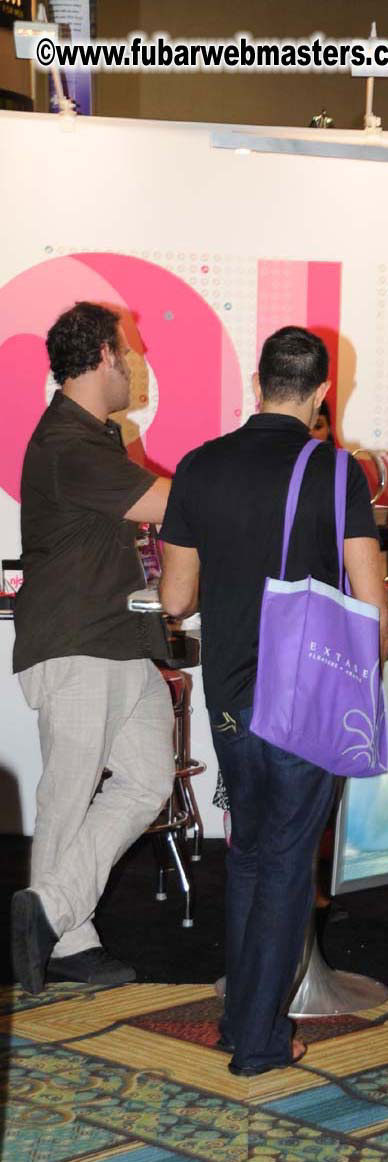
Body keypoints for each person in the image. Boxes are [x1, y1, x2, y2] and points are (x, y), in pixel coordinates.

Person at [159, 326, 388, 1077]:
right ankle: (259, 1038)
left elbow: (177, 596)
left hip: (229, 698)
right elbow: (372, 605)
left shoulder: (197, 466)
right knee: (289, 862)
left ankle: (240, 1018)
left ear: (256, 382)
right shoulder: (337, 471)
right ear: (324, 393)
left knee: (251, 855)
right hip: (306, 701)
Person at [11, 302, 174, 994]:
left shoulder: (98, 437)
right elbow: (165, 502)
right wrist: (242, 484)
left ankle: (51, 909)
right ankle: (65, 941)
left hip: (117, 639)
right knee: (67, 800)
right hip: (76, 642)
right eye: (130, 351)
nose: (137, 364)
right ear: (104, 356)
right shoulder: (66, 443)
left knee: (149, 777)